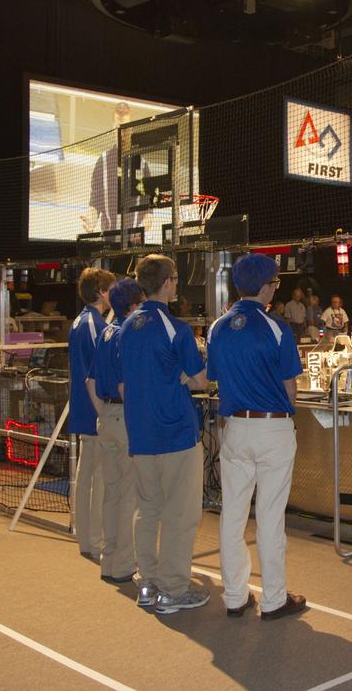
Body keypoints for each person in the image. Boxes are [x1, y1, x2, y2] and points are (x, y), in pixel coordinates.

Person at [208, 253, 309, 621]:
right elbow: (291, 388)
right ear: (267, 286)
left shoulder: (219, 327)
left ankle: (235, 596)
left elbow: (214, 376)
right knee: (269, 516)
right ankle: (274, 599)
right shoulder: (276, 327)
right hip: (272, 427)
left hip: (235, 427)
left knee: (232, 514)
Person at [119, 254, 209, 614]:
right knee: (180, 514)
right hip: (175, 434)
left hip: (140, 435)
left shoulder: (126, 327)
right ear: (169, 282)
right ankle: (173, 590)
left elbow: (126, 382)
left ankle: (149, 583)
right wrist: (189, 378)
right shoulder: (176, 329)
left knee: (148, 509)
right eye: (175, 278)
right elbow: (201, 380)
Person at [89, 277, 143, 585]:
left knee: (111, 493)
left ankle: (108, 560)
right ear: (135, 305)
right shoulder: (127, 334)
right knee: (128, 496)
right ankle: (124, 563)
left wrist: (105, 416)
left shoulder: (106, 332)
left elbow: (93, 381)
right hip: (124, 416)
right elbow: (127, 385)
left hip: (106, 417)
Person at [69, 266, 114, 562]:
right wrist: (104, 415)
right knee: (98, 481)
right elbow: (96, 374)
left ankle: (86, 538)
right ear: (100, 292)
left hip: (84, 411)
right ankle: (96, 541)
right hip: (94, 412)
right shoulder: (94, 323)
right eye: (110, 288)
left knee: (86, 478)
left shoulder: (80, 321)